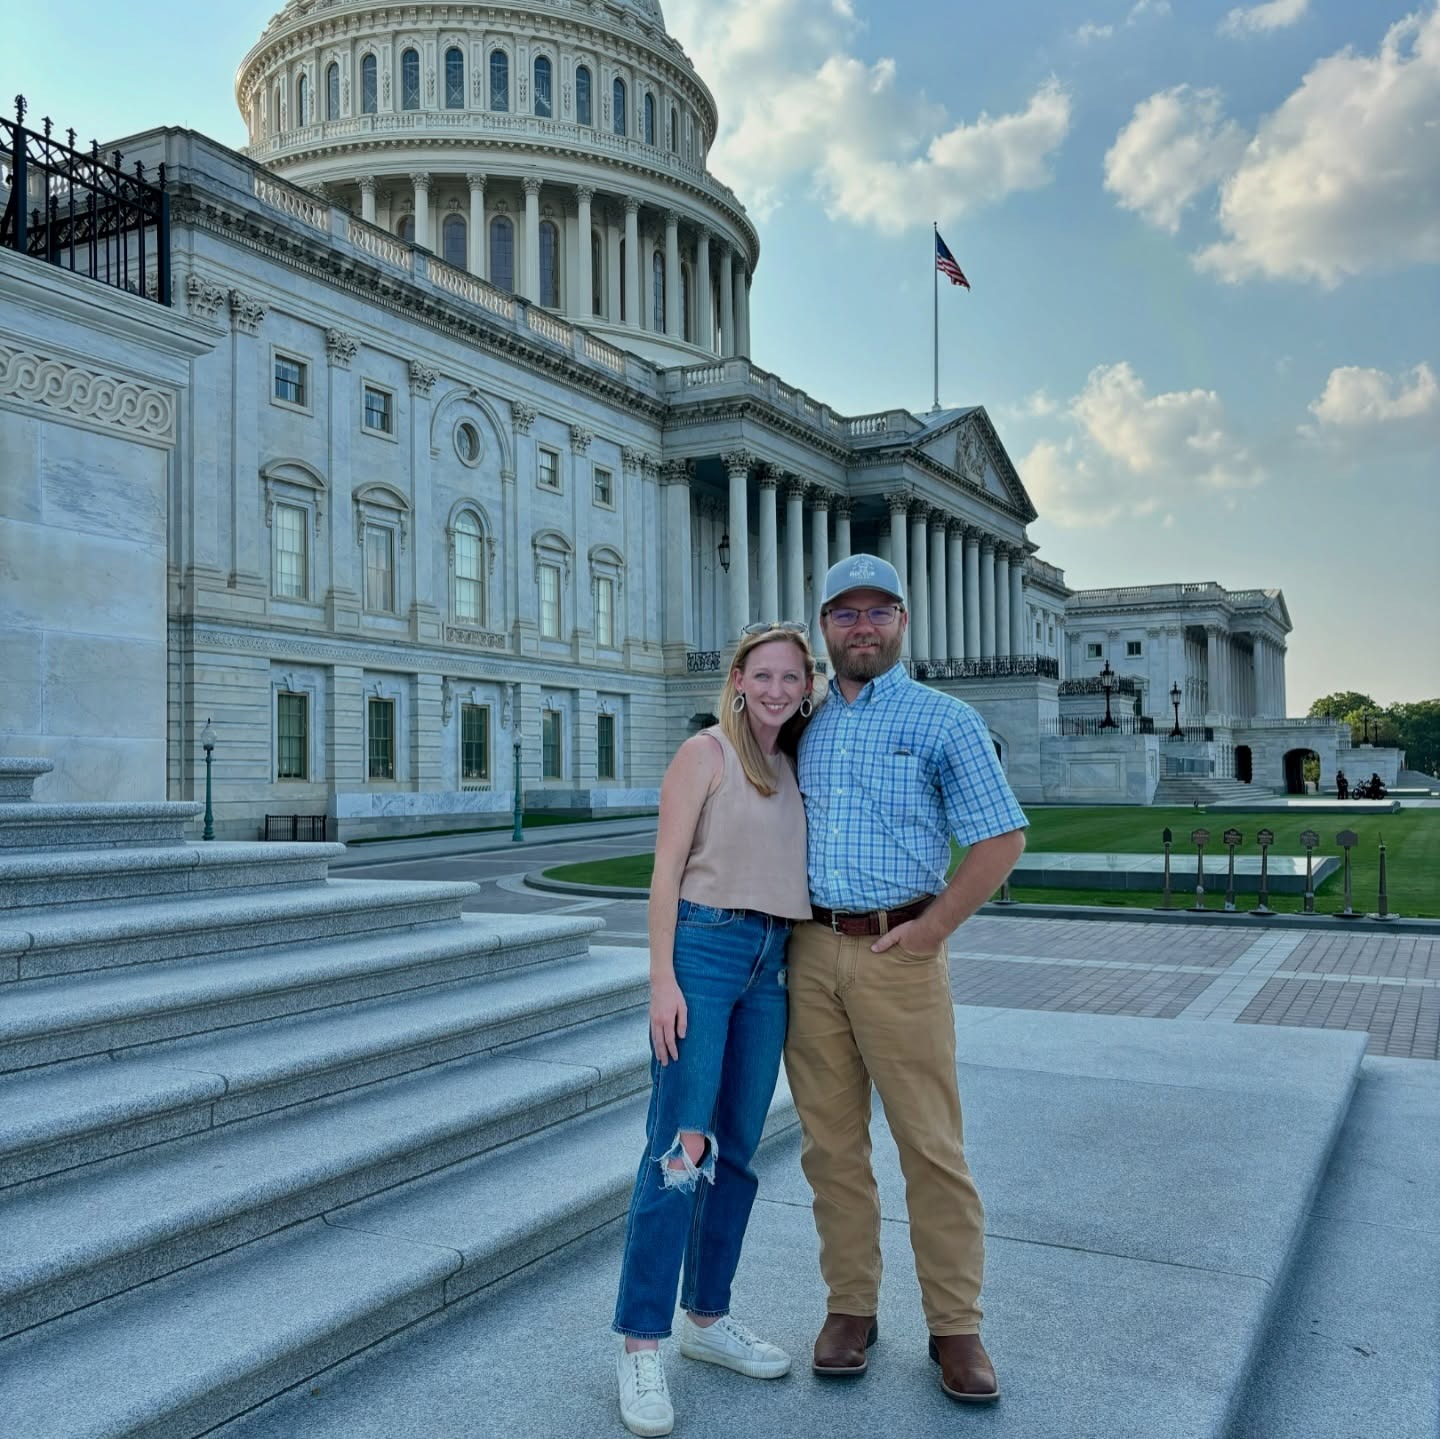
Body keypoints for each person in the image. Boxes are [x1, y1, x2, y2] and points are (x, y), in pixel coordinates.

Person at [785, 553, 1028, 1404]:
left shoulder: (944, 719)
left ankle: (955, 1324)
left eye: (878, 612)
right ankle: (850, 1307)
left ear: (903, 621)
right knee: (830, 1146)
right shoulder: (799, 720)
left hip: (901, 950)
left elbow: (1000, 839)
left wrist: (933, 929)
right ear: (823, 625)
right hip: (809, 951)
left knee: (931, 1145)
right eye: (845, 614)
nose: (862, 627)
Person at [613, 621, 820, 1437]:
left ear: (807, 687)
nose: (775, 689)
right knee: (679, 1148)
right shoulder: (705, 752)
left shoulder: (792, 760)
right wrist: (662, 978)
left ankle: (706, 1318)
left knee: (736, 1151)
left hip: (772, 963)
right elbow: (664, 872)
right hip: (702, 949)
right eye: (762, 674)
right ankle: (639, 1344)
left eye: (790, 678)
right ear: (737, 678)